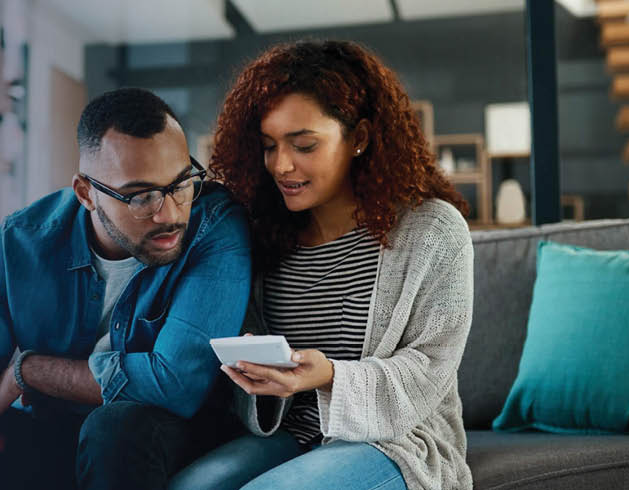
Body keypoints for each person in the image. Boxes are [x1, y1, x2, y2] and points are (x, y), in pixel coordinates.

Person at [0, 88, 251, 490]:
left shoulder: (215, 226)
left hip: (160, 435)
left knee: (115, 428)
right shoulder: (18, 245)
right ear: (86, 193)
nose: (171, 213)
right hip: (58, 433)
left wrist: (31, 370)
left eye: (181, 183)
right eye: (141, 196)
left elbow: (176, 382)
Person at [170, 40, 474, 490]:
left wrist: (331, 376)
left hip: (397, 443)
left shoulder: (431, 232)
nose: (282, 165)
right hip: (295, 436)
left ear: (361, 138)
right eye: (269, 146)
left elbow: (430, 369)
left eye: (304, 144)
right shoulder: (264, 236)